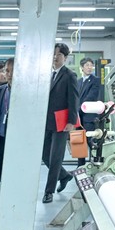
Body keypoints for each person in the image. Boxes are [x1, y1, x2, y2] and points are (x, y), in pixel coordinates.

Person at [42, 43, 78, 203]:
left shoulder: (69, 75)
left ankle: (48, 192)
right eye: (53, 54)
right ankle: (64, 176)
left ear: (65, 57)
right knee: (45, 155)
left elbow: (74, 100)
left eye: (59, 55)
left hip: (62, 123)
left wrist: (71, 121)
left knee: (55, 157)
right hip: (47, 122)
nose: (55, 57)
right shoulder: (47, 74)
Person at [76, 57, 103, 166]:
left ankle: (94, 164)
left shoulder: (95, 80)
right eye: (87, 65)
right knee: (79, 141)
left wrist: (79, 108)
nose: (89, 67)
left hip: (89, 116)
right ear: (82, 67)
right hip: (78, 117)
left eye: (91, 65)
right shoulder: (78, 81)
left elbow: (91, 97)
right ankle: (80, 165)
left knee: (90, 141)